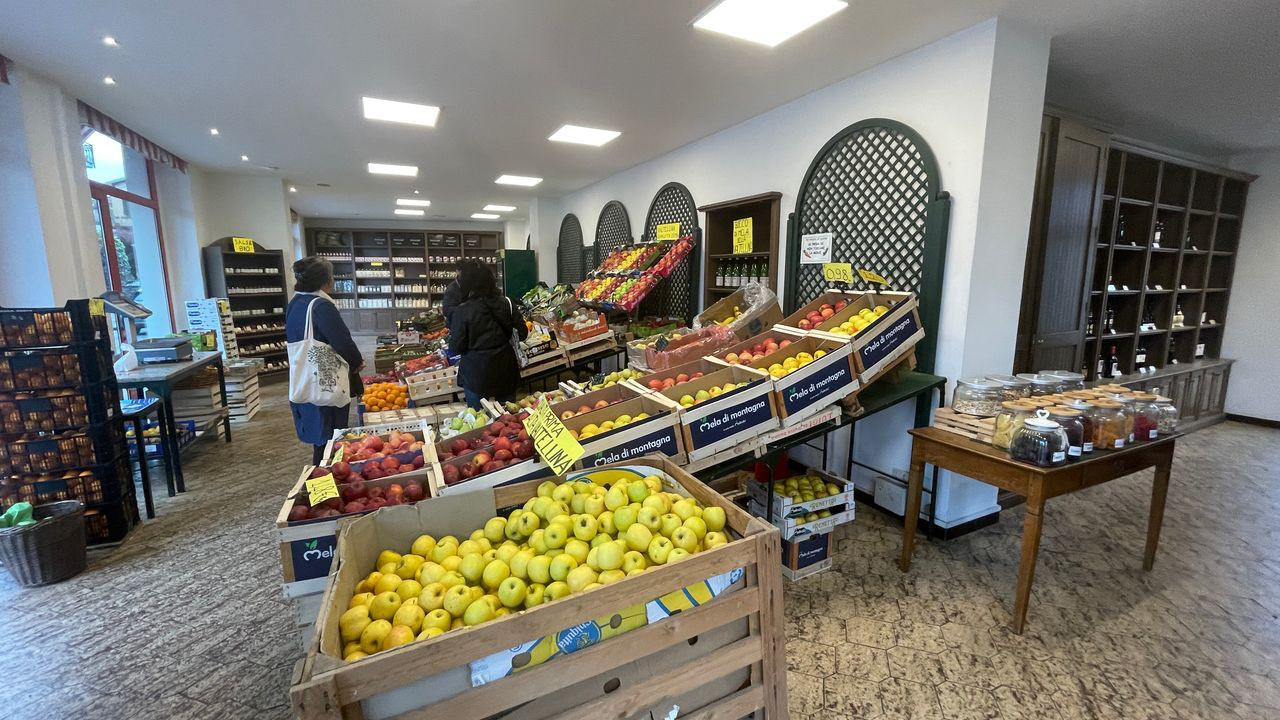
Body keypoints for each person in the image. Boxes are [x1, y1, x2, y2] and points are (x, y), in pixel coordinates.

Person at [286, 257, 364, 464]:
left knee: (319, 434)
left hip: (304, 374)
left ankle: (320, 475)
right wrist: (356, 361)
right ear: (327, 281)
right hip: (325, 377)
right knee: (330, 433)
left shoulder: (295, 303)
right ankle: (324, 479)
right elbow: (342, 341)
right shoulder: (321, 306)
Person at [448, 259, 528, 408]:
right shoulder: (507, 303)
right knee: (508, 418)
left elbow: (456, 347)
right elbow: (523, 333)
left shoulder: (462, 311)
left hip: (475, 373)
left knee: (479, 422)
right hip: (505, 371)